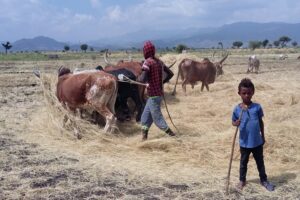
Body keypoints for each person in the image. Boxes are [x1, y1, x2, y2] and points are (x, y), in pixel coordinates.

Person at [232, 78, 275, 191]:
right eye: (244, 93)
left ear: (253, 92)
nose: (246, 95)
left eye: (249, 93)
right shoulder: (237, 109)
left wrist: (263, 136)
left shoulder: (257, 107)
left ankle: (264, 180)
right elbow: (233, 121)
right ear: (239, 93)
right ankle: (242, 180)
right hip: (244, 142)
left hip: (256, 141)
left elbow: (261, 122)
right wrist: (235, 123)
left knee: (260, 162)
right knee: (243, 163)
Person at [139, 40, 175, 140]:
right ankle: (144, 139)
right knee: (145, 118)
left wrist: (140, 76)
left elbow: (142, 79)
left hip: (153, 96)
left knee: (158, 120)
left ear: (145, 51)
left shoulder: (147, 62)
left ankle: (174, 137)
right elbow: (171, 74)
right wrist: (160, 83)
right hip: (157, 95)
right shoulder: (159, 62)